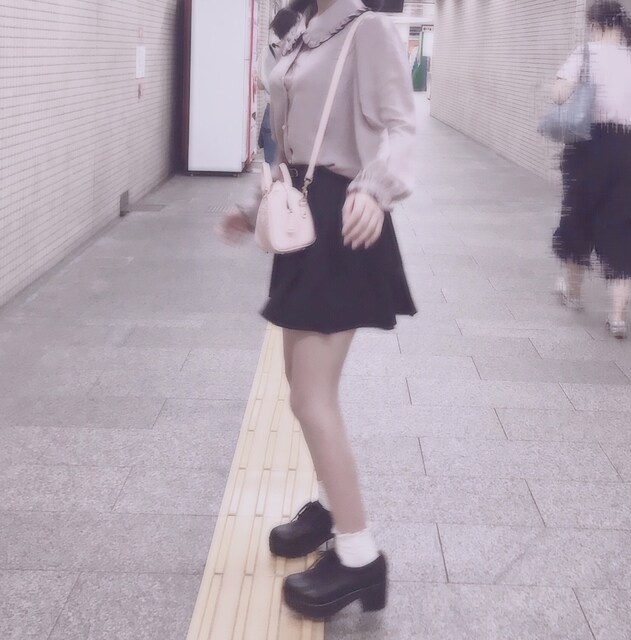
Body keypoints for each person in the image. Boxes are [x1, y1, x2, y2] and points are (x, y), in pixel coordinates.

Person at [219, 0, 416, 619]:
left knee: (311, 397)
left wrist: (377, 191)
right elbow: (288, 142)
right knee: (297, 385)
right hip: (303, 213)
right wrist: (256, 208)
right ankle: (332, 509)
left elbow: (401, 124)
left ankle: (360, 558)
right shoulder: (301, 33)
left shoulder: (368, 30)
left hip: (344, 219)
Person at [552, 1, 631, 338]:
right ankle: (617, 317)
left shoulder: (587, 53)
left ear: (596, 24)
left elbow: (559, 93)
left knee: (579, 218)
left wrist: (573, 90)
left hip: (590, 147)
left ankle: (573, 294)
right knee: (625, 227)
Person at [256, 12, 298, 165]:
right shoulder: (298, 51)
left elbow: (260, 85)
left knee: (273, 165)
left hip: (272, 112)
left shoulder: (266, 52)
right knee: (293, 167)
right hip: (293, 112)